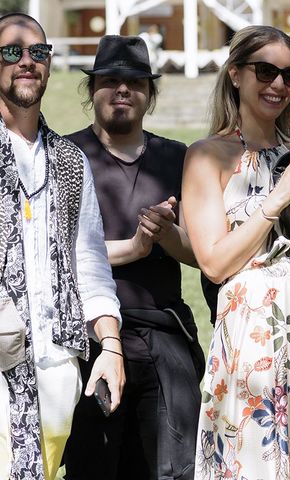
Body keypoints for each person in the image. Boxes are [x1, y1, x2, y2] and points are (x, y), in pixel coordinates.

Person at [181, 25, 290, 479]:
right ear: (236, 74)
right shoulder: (207, 156)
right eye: (265, 71)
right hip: (250, 330)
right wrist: (274, 200)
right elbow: (216, 263)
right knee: (253, 459)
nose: (278, 85)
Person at [62, 36, 204, 479]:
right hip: (87, 340)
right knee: (94, 466)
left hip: (164, 332)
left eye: (135, 82)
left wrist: (167, 235)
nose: (122, 90)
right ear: (91, 91)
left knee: (173, 469)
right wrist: (136, 247)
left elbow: (205, 255)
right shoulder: (64, 157)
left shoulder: (177, 158)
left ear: (150, 93)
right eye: (110, 81)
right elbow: (57, 254)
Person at [0, 13, 123, 480]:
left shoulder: (70, 162)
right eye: (11, 52)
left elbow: (88, 261)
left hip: (56, 363)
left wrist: (109, 345)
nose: (26, 62)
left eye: (38, 52)